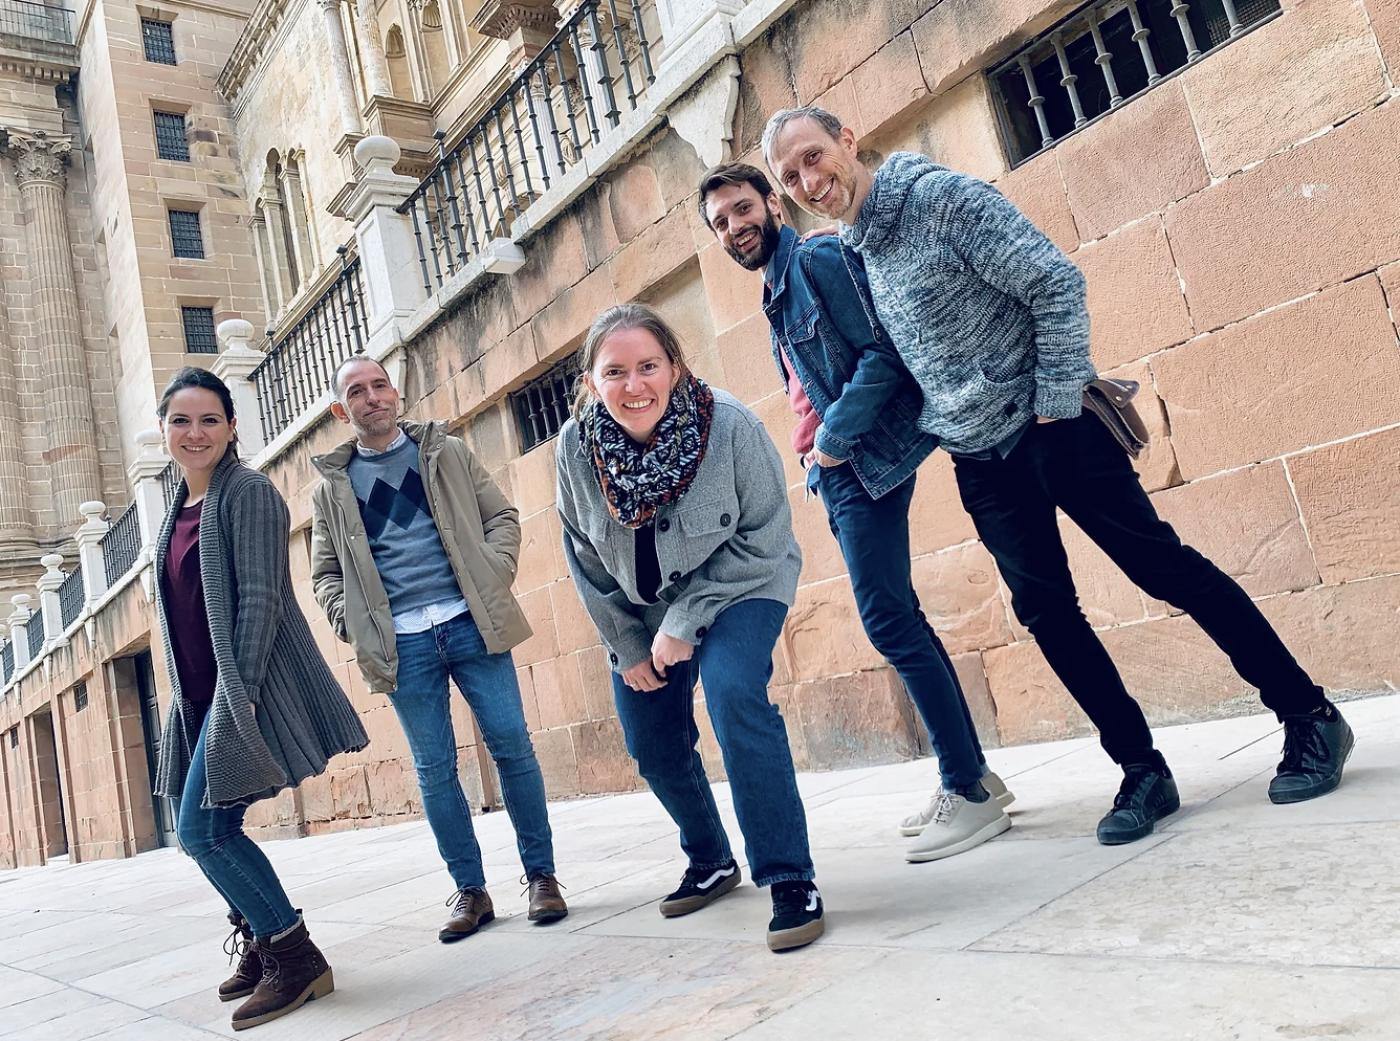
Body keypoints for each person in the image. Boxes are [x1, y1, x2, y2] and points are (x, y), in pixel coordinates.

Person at [763, 105, 1354, 845]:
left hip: (1055, 427)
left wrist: (1052, 402)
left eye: (815, 158)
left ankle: (1310, 716)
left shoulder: (938, 198)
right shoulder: (853, 249)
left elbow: (1055, 282)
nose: (810, 181)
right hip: (978, 459)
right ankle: (1142, 770)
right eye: (791, 177)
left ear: (848, 141)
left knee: (1163, 568)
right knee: (1048, 614)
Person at [696, 162, 1013, 863]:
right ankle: (972, 774)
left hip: (861, 459)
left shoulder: (812, 258)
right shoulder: (776, 285)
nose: (734, 226)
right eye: (720, 222)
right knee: (903, 618)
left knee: (889, 622)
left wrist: (833, 443)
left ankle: (966, 785)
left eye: (743, 209)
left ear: (771, 203)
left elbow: (883, 352)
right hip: (838, 469)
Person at [555, 303, 822, 952]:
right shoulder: (574, 448)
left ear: (675, 367)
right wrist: (628, 643)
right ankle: (710, 857)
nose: (634, 384)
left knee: (735, 698)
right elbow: (582, 552)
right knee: (651, 740)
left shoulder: (727, 424)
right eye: (614, 371)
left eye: (648, 365)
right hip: (640, 613)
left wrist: (685, 621)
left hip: (741, 585)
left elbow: (764, 533)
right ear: (591, 382)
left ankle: (790, 877)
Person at [310, 356, 567, 943]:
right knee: (433, 769)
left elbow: (500, 515)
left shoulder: (446, 452)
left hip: (471, 622)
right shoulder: (331, 489)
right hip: (401, 643)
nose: (372, 397)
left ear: (395, 394)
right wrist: (350, 621)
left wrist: (493, 571)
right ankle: (470, 891)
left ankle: (542, 877)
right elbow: (324, 572)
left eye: (380, 386)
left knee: (513, 746)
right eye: (357, 391)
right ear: (340, 409)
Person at [152, 367, 368, 1032]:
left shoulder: (246, 492)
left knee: (202, 830)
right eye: (182, 420)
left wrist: (237, 697)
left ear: (232, 427)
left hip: (242, 691)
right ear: (163, 430)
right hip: (198, 694)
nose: (195, 433)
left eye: (209, 419)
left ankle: (293, 953)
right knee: (209, 828)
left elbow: (262, 599)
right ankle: (255, 934)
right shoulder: (178, 508)